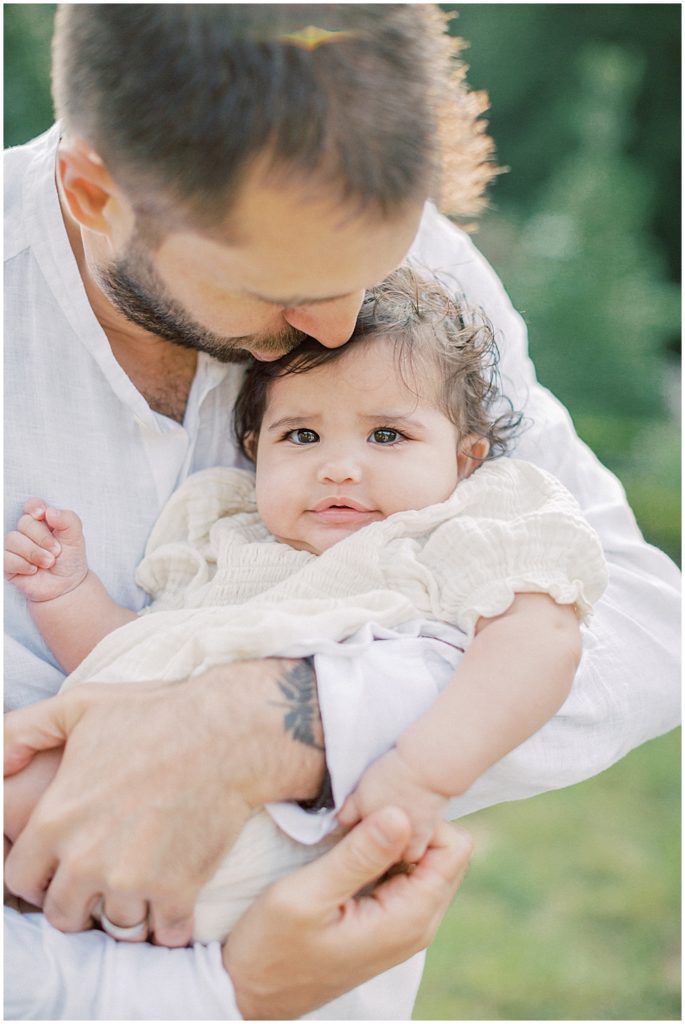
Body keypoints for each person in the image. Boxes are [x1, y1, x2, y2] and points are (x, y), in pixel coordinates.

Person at [4, 4, 679, 1020]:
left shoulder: (408, 275)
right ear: (96, 194)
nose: (340, 322)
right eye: (278, 289)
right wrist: (223, 992)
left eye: (372, 265)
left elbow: (633, 619)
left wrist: (280, 723)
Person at [5, 265, 609, 943]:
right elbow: (129, 651)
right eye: (301, 436)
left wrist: (423, 772)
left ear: (465, 460)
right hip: (126, 795)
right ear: (254, 452)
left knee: (27, 793)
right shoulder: (227, 537)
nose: (338, 467)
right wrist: (67, 591)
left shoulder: (452, 534)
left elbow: (541, 641)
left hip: (265, 823)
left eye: (386, 436)